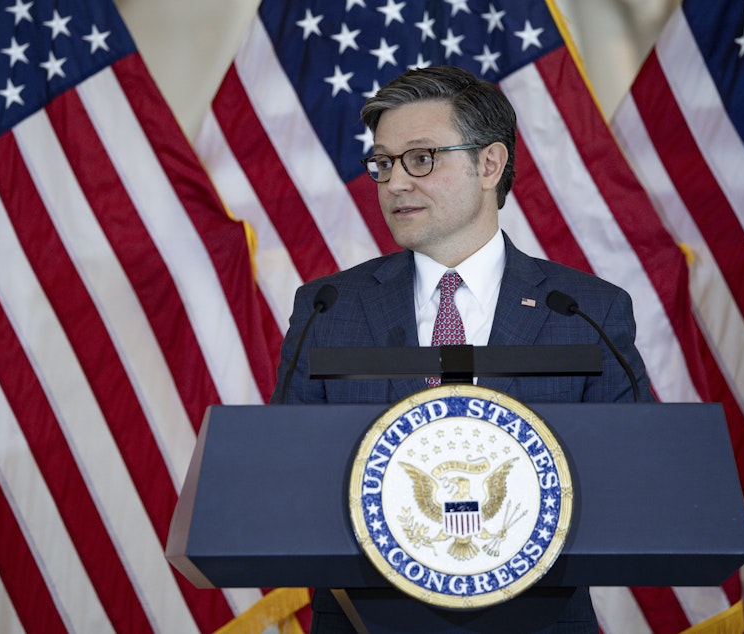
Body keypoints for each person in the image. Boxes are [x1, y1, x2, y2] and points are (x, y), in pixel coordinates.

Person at [273, 65, 653, 633]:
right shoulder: (329, 308)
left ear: (490, 164)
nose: (396, 182)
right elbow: (283, 472)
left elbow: (639, 475)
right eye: (383, 163)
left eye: (421, 158)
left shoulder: (584, 311)